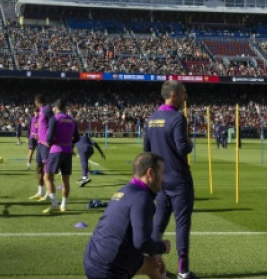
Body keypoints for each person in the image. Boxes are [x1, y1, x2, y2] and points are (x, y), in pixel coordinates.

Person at [83, 151, 170, 279]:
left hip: (93, 260)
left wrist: (154, 253)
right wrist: (162, 247)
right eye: (162, 173)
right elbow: (141, 242)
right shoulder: (142, 198)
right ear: (150, 173)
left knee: (154, 267)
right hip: (109, 270)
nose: (163, 179)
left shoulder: (125, 190)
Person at [143, 80, 198, 279]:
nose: (186, 96)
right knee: (182, 223)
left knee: (159, 222)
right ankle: (183, 270)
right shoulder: (177, 118)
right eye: (183, 92)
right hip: (179, 178)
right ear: (173, 95)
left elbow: (146, 150)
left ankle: (154, 264)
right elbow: (182, 148)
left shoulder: (152, 118)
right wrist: (190, 143)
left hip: (160, 180)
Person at [42, 98, 79, 214]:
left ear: (55, 108)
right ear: (65, 108)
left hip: (56, 150)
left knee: (47, 177)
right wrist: (69, 144)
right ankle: (64, 205)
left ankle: (54, 203)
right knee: (66, 179)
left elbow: (48, 138)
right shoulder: (72, 121)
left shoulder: (54, 120)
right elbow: (77, 138)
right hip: (68, 151)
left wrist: (49, 142)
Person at [29, 95, 53, 201]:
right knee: (38, 167)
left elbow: (53, 122)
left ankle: (49, 193)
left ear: (37, 102)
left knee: (47, 169)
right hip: (39, 143)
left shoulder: (47, 109)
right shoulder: (41, 111)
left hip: (45, 144)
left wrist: (48, 138)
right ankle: (40, 191)